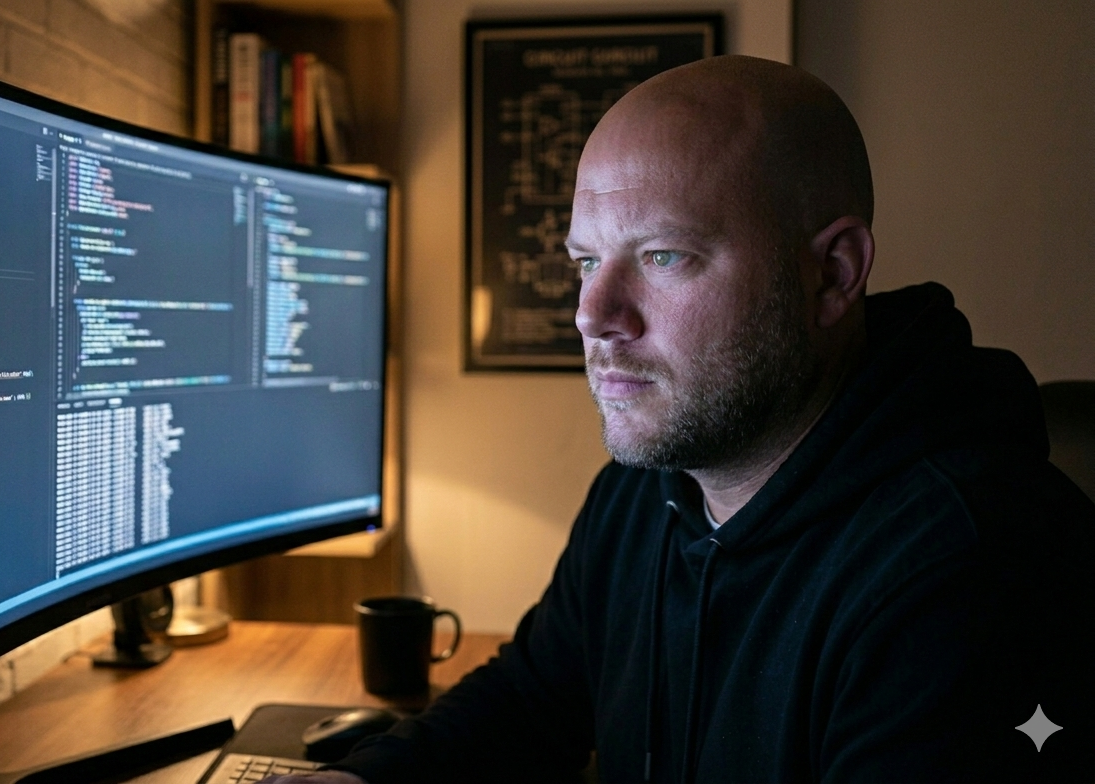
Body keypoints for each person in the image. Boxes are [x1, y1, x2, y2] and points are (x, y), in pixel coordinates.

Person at [268, 55, 1094, 783]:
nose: (593, 315)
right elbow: (534, 698)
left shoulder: (968, 573)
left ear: (833, 274)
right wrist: (368, 778)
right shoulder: (650, 486)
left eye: (664, 255)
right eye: (586, 261)